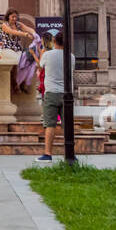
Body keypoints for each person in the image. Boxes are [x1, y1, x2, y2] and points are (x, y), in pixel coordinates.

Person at [35, 32, 66, 162]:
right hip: (66, 94)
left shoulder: (47, 55)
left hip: (51, 93)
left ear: (54, 41)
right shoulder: (71, 56)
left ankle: (48, 154)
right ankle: (70, 153)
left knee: (50, 125)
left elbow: (39, 67)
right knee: (67, 125)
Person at [0, 9, 40, 92]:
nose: (14, 19)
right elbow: (12, 32)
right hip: (6, 49)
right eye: (12, 17)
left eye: (16, 17)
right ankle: (15, 82)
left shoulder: (19, 24)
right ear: (8, 16)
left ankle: (22, 82)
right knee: (18, 61)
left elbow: (29, 29)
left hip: (18, 50)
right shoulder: (4, 25)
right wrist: (25, 34)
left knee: (27, 62)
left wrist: (34, 34)